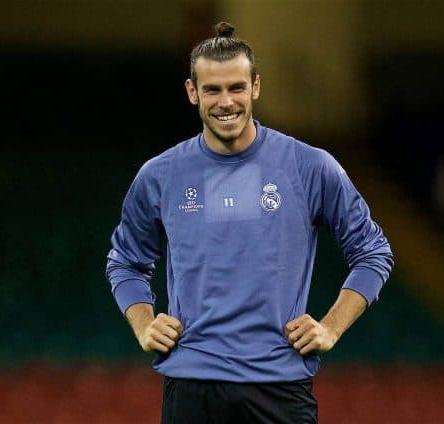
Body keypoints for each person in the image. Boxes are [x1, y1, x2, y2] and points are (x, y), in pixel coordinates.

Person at [106, 21, 393, 424]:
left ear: (255, 87)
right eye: (213, 90)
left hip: (280, 387)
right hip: (192, 386)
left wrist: (330, 327)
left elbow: (373, 251)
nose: (227, 102)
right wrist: (143, 323)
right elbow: (125, 260)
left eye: (236, 88)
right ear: (193, 93)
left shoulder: (309, 166)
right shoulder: (160, 175)